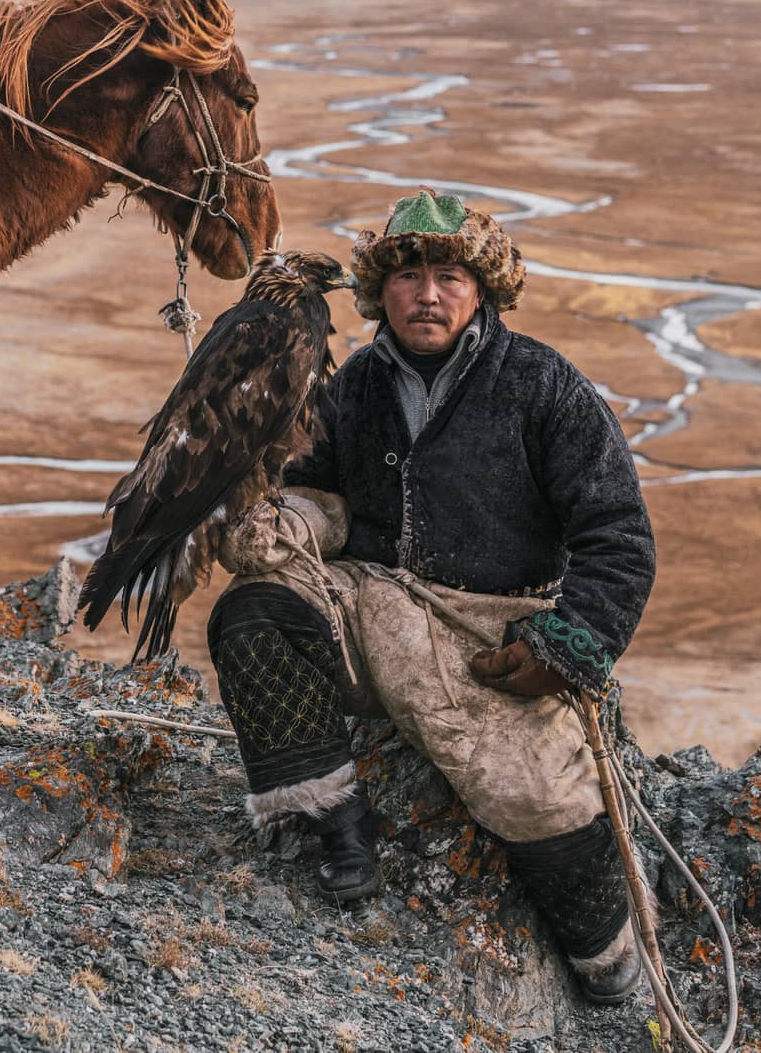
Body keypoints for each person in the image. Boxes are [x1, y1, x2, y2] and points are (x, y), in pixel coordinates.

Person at [205, 189, 655, 1003]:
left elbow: (617, 532)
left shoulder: (543, 385)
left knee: (541, 802)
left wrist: (569, 645)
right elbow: (319, 491)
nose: (428, 293)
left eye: (449, 274)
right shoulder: (353, 387)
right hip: (371, 605)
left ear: (482, 287)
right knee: (253, 610)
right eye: (408, 276)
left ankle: (607, 957)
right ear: (382, 291)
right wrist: (286, 521)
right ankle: (336, 821)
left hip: (495, 636)